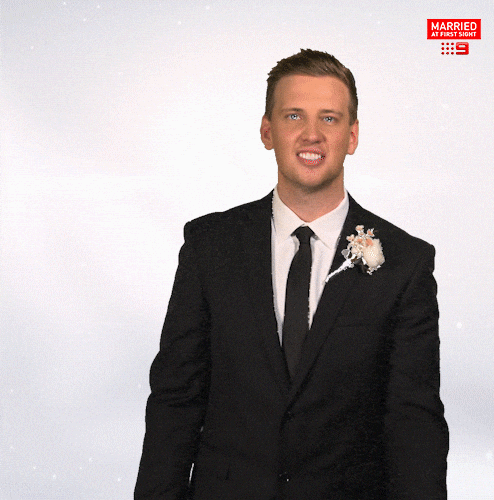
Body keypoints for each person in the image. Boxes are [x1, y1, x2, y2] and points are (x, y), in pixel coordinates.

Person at [135, 49, 448, 500]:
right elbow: (175, 400)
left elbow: (414, 422)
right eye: (294, 115)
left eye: (329, 118)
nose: (311, 134)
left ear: (352, 136)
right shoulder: (210, 246)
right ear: (267, 131)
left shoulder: (405, 263)